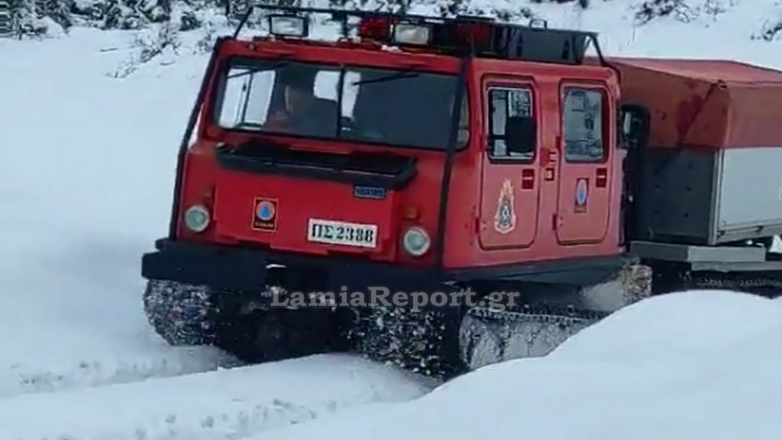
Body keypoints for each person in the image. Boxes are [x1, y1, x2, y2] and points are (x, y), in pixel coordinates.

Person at [266, 67, 336, 136]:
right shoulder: (275, 124)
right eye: (291, 88)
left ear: (312, 96)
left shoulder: (329, 127)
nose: (292, 96)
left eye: (301, 91)